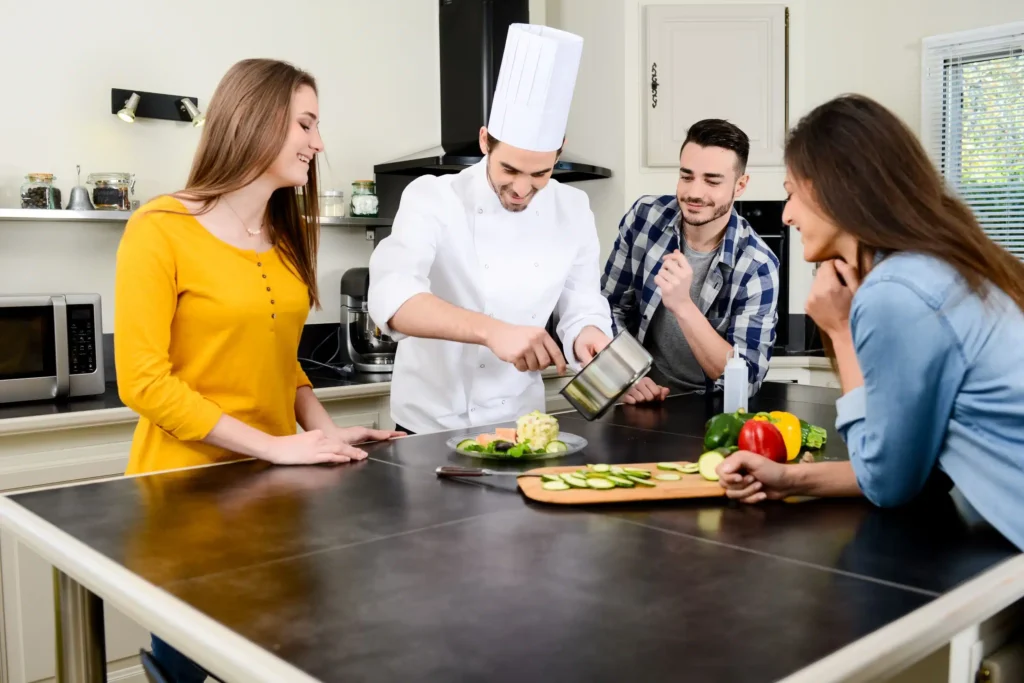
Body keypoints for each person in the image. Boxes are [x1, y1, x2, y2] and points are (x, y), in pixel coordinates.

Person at [115, 58, 405, 682]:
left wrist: (322, 433)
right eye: (306, 124)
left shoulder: (284, 233)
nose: (318, 143)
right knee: (190, 667)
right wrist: (274, 446)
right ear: (255, 121)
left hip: (273, 495)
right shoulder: (160, 227)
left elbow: (279, 356)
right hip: (187, 499)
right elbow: (143, 381)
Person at [716, 94, 1024, 552]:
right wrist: (789, 478)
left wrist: (841, 331)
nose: (786, 214)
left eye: (791, 192)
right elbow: (917, 466)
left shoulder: (895, 292)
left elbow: (887, 483)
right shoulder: (941, 267)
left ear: (832, 189)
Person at [368, 24, 613, 435]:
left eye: (541, 173)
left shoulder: (573, 209)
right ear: (485, 142)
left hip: (519, 427)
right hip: (427, 429)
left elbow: (581, 303)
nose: (522, 188)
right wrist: (492, 332)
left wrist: (588, 334)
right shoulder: (433, 197)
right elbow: (393, 297)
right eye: (509, 169)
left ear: (559, 153)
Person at [601, 119, 780, 404]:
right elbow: (608, 307)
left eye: (712, 181)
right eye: (687, 177)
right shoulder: (645, 218)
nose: (695, 193)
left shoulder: (757, 266)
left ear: (740, 185)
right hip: (637, 396)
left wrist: (683, 306)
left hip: (708, 407)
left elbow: (745, 379)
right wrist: (627, 375)